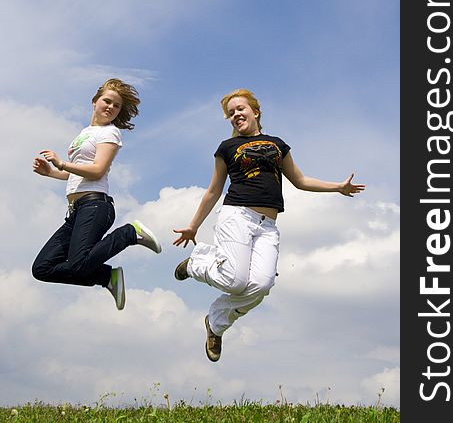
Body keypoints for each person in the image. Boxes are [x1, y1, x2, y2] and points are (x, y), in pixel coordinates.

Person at [173, 88, 365, 362]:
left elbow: (300, 180)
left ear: (255, 111)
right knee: (235, 280)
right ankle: (196, 263)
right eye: (230, 113)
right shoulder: (226, 148)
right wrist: (193, 226)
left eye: (240, 109)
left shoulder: (277, 144)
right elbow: (214, 190)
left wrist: (338, 188)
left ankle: (215, 323)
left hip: (268, 225)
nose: (235, 115)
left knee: (261, 286)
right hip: (237, 216)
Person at [32, 78, 161, 310]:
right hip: (76, 211)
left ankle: (130, 233)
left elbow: (97, 170)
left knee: (78, 264)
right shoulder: (85, 133)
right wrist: (51, 172)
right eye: (107, 101)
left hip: (95, 206)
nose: (111, 107)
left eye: (116, 106)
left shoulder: (110, 134)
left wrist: (61, 163)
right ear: (95, 101)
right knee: (42, 268)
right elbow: (78, 173)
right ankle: (106, 277)